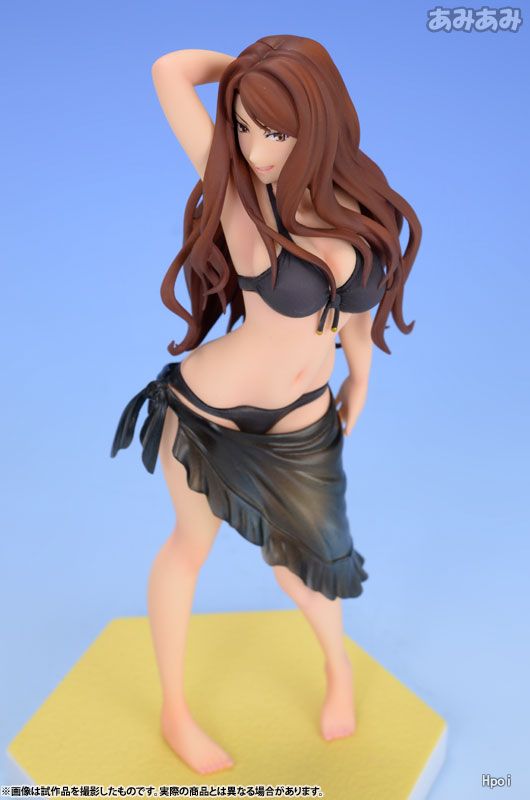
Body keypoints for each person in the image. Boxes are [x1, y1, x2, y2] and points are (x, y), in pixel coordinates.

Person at [110, 35, 421, 776]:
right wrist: (249, 78)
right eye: (244, 127)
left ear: (317, 120)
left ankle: (338, 670)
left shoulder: (360, 212)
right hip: (206, 413)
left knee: (309, 564)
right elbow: (168, 70)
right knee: (188, 549)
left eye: (274, 132)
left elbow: (354, 323)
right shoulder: (239, 195)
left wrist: (361, 379)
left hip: (303, 415)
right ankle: (175, 709)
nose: (253, 149)